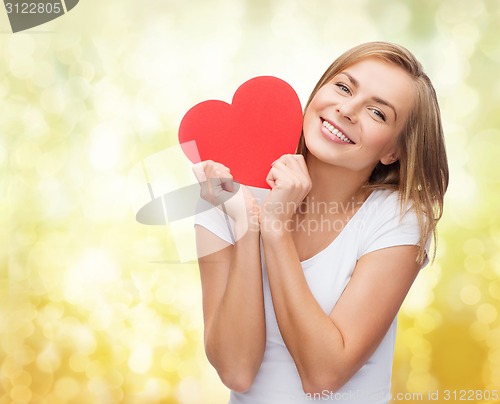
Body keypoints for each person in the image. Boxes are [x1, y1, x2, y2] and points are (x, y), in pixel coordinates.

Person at [192, 42, 449, 403]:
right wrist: (248, 225)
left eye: (377, 113)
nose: (346, 110)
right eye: (343, 87)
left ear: (393, 151)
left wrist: (276, 229)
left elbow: (323, 374)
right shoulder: (225, 192)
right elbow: (237, 371)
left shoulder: (398, 217)